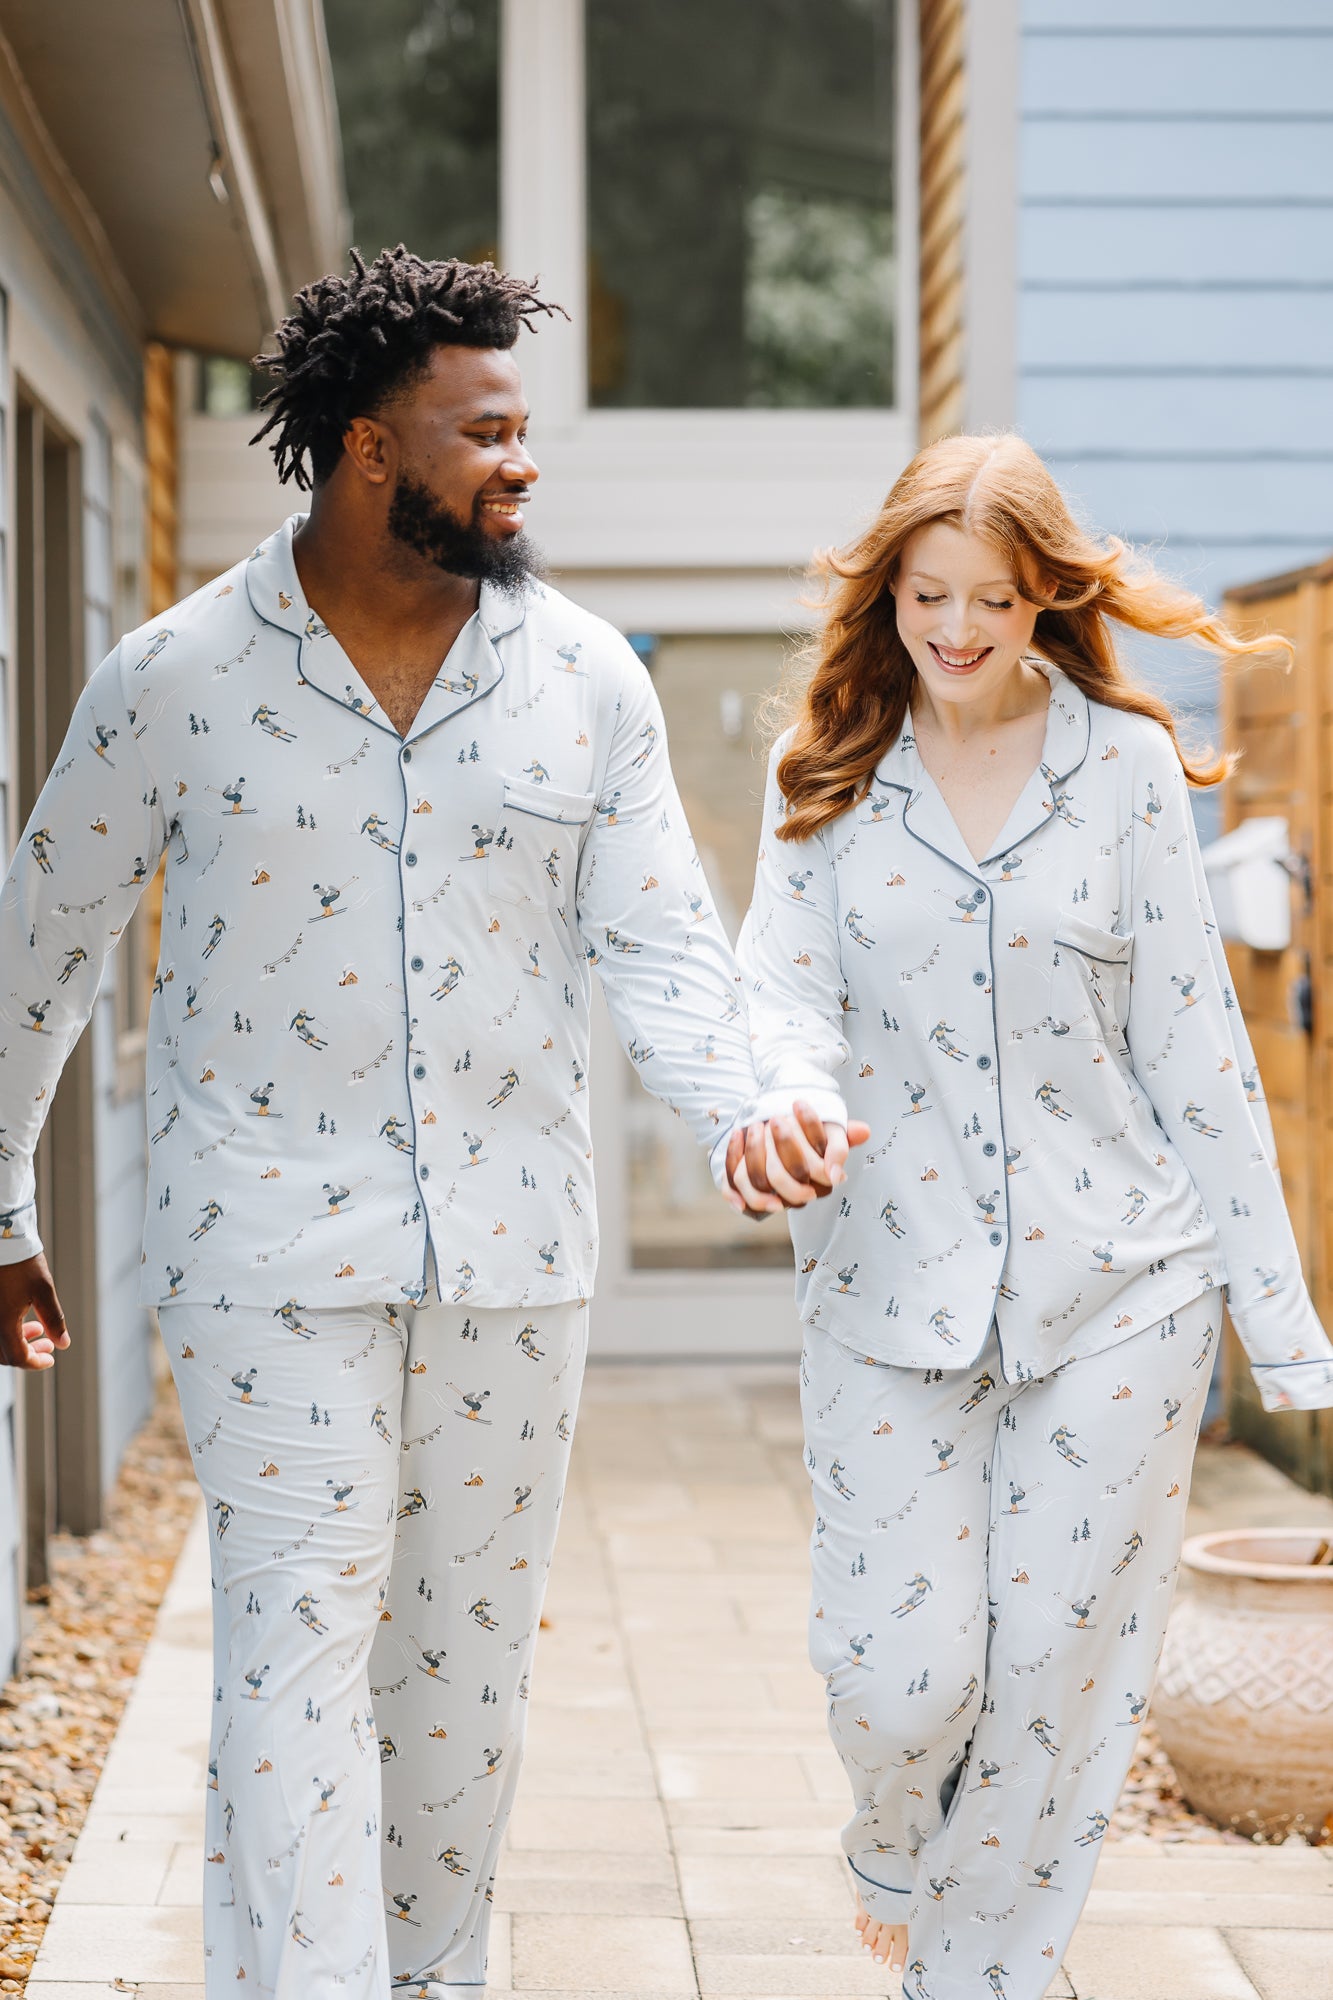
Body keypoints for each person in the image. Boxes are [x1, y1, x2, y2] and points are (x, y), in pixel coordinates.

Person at [0, 248, 846, 2000]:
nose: (520, 464)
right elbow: (37, 951)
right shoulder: (173, 678)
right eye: (487, 434)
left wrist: (747, 1105)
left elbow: (666, 952)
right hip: (261, 1255)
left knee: (458, 1688)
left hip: (510, 1263)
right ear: (372, 450)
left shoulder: (589, 683)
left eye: (524, 432)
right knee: (289, 1655)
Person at [727, 432, 1333, 2000]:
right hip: (885, 1283)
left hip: (1120, 1287)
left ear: (1041, 597)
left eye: (992, 598)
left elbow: (1197, 1059)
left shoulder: (1118, 771)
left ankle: (975, 1973)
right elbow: (775, 999)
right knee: (899, 1673)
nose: (958, 629)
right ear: (890, 593)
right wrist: (780, 1102)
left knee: (1052, 1661)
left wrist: (1286, 1337)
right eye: (930, 594)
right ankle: (887, 1839)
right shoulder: (827, 766)